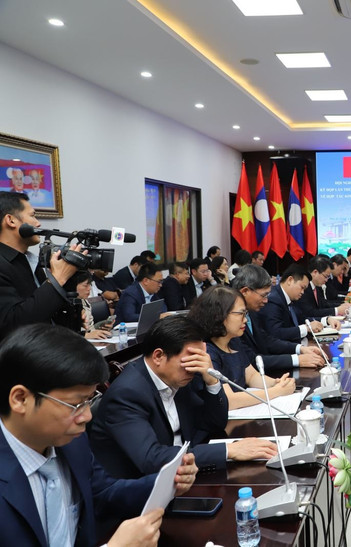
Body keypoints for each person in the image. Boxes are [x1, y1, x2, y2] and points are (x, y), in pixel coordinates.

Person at [0, 324, 198, 547]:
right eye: (75, 404)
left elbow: (103, 494)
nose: (86, 416)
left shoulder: (71, 442)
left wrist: (167, 482)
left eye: (89, 401)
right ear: (20, 399)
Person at [88, 316, 278, 479]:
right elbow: (151, 459)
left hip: (183, 473)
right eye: (189, 359)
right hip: (142, 491)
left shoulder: (181, 375)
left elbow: (214, 424)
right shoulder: (127, 394)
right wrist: (229, 451)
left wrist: (211, 380)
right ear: (158, 357)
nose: (195, 367)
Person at [187, 286, 296, 409]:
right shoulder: (207, 351)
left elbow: (251, 376)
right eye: (241, 314)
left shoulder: (233, 340)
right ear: (219, 315)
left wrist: (276, 383)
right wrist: (276, 392)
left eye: (246, 314)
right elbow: (229, 400)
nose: (245, 320)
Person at [0, 192, 83, 337]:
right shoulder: (3, 265)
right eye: (32, 215)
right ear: (11, 220)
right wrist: (58, 278)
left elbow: (45, 313)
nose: (38, 223)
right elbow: (14, 324)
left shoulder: (31, 261)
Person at [232, 265, 326, 371]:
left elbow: (266, 340)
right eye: (263, 295)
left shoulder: (250, 311)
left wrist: (300, 349)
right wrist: (297, 360)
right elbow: (249, 360)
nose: (266, 301)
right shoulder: (229, 318)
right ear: (245, 292)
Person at [258, 264, 327, 343]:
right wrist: (306, 328)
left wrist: (326, 320)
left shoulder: (291, 298)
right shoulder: (273, 299)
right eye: (302, 287)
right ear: (290, 280)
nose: (302, 292)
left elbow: (302, 319)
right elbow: (275, 333)